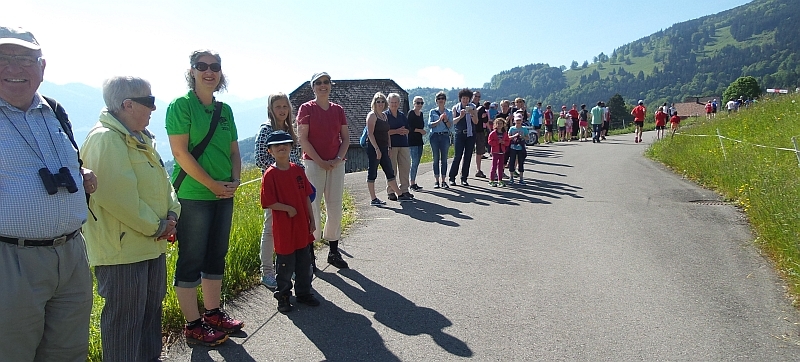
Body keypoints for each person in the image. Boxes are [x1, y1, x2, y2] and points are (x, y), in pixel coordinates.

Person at [0, 25, 96, 361]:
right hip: (11, 259)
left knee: (69, 353)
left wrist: (80, 172)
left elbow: (70, 160)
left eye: (25, 59)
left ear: (42, 67)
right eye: (4, 58)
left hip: (70, 255)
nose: (15, 69)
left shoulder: (53, 110)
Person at [81, 76, 180, 361]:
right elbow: (117, 197)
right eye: (148, 101)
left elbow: (164, 181)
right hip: (122, 252)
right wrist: (157, 226)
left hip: (150, 246)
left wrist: (173, 212)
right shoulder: (105, 139)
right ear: (127, 104)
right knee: (124, 327)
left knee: (149, 321)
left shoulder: (139, 137)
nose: (153, 108)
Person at [166, 49, 242, 347]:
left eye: (215, 67)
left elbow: (235, 151)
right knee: (192, 258)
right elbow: (180, 153)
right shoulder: (180, 106)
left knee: (215, 255)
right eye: (202, 66)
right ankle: (193, 324)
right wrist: (212, 184)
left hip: (223, 193)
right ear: (192, 71)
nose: (209, 71)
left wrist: (234, 180)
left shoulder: (226, 111)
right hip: (195, 195)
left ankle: (212, 314)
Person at [260, 130, 320, 313]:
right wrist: (288, 209)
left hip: (302, 226)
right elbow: (268, 202)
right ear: (270, 151)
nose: (281, 148)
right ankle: (283, 296)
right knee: (285, 265)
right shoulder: (270, 175)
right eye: (277, 146)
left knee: (304, 262)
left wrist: (311, 219)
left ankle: (304, 293)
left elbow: (306, 197)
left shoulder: (297, 170)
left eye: (285, 144)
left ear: (291, 147)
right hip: (284, 228)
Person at [297, 72, 349, 269]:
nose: (323, 86)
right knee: (313, 207)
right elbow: (303, 139)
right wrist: (320, 161)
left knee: (335, 207)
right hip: (313, 163)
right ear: (313, 87)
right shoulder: (306, 109)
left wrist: (337, 159)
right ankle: (310, 252)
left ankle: (333, 251)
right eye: (318, 83)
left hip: (336, 164)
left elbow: (345, 138)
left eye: (326, 82)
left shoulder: (338, 110)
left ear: (330, 85)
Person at [255, 93, 303, 290]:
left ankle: (287, 267)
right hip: (274, 185)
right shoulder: (266, 130)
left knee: (290, 227)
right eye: (278, 107)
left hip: (293, 185)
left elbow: (297, 158)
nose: (282, 110)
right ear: (271, 109)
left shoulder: (290, 130)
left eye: (285, 106)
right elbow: (260, 158)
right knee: (271, 228)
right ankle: (267, 271)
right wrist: (281, 170)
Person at [365, 92, 407, 205]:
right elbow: (370, 134)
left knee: (390, 171)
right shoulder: (372, 115)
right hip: (374, 148)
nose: (380, 103)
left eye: (382, 101)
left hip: (384, 147)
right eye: (378, 101)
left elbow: (387, 133)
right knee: (372, 172)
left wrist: (389, 147)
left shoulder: (384, 116)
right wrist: (377, 149)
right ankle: (373, 199)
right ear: (374, 102)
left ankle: (400, 194)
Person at [385, 93, 413, 201]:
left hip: (403, 144)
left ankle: (404, 190)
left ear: (399, 103)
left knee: (405, 168)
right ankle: (391, 191)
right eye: (392, 102)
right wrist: (396, 131)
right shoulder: (385, 115)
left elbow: (408, 128)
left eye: (396, 102)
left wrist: (406, 131)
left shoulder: (402, 115)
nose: (394, 104)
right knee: (392, 169)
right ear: (388, 103)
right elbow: (384, 132)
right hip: (391, 145)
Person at [448, 88, 478, 187]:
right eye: (463, 98)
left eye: (467, 99)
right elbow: (453, 122)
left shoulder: (473, 107)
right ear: (460, 98)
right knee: (457, 156)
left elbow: (476, 122)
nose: (465, 100)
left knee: (468, 156)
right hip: (459, 134)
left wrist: (472, 114)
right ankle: (452, 177)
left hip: (470, 134)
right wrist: (461, 116)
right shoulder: (455, 108)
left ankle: (464, 178)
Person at [428, 91, 452, 189]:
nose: (441, 100)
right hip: (434, 136)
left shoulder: (449, 112)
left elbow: (450, 126)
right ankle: (436, 180)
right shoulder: (432, 112)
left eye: (442, 98)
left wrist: (446, 119)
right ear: (436, 101)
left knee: (444, 159)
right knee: (435, 159)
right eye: (439, 98)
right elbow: (430, 125)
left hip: (445, 136)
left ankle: (443, 180)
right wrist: (439, 120)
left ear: (445, 100)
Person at [408, 96, 426, 191]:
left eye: (421, 103)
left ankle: (413, 182)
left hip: (419, 141)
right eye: (418, 103)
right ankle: (412, 183)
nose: (419, 105)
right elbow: (409, 127)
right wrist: (419, 130)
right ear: (414, 103)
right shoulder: (411, 113)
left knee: (417, 162)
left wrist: (421, 131)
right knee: (414, 162)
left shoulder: (421, 114)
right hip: (412, 141)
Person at [507, 113, 530, 185]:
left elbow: (527, 138)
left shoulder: (524, 129)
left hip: (521, 148)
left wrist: (522, 137)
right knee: (512, 162)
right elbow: (508, 137)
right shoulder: (512, 128)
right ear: (514, 121)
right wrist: (514, 136)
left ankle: (521, 178)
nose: (518, 122)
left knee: (521, 162)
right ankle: (511, 177)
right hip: (513, 147)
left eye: (519, 120)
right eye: (517, 120)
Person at [486, 118, 510, 187]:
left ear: (503, 125)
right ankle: (491, 180)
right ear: (495, 124)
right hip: (495, 152)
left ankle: (500, 180)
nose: (499, 125)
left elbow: (508, 142)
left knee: (500, 167)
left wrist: (504, 142)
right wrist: (497, 142)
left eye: (501, 124)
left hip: (502, 152)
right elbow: (489, 142)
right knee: (494, 166)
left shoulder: (505, 133)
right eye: (498, 123)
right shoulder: (493, 133)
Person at [474, 96, 490, 179]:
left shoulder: (482, 108)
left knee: (479, 152)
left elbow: (485, 120)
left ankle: (478, 170)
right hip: (470, 131)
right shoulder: (469, 106)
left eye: (478, 96)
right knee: (467, 151)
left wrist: (484, 117)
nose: (477, 98)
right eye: (475, 96)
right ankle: (463, 170)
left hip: (480, 131)